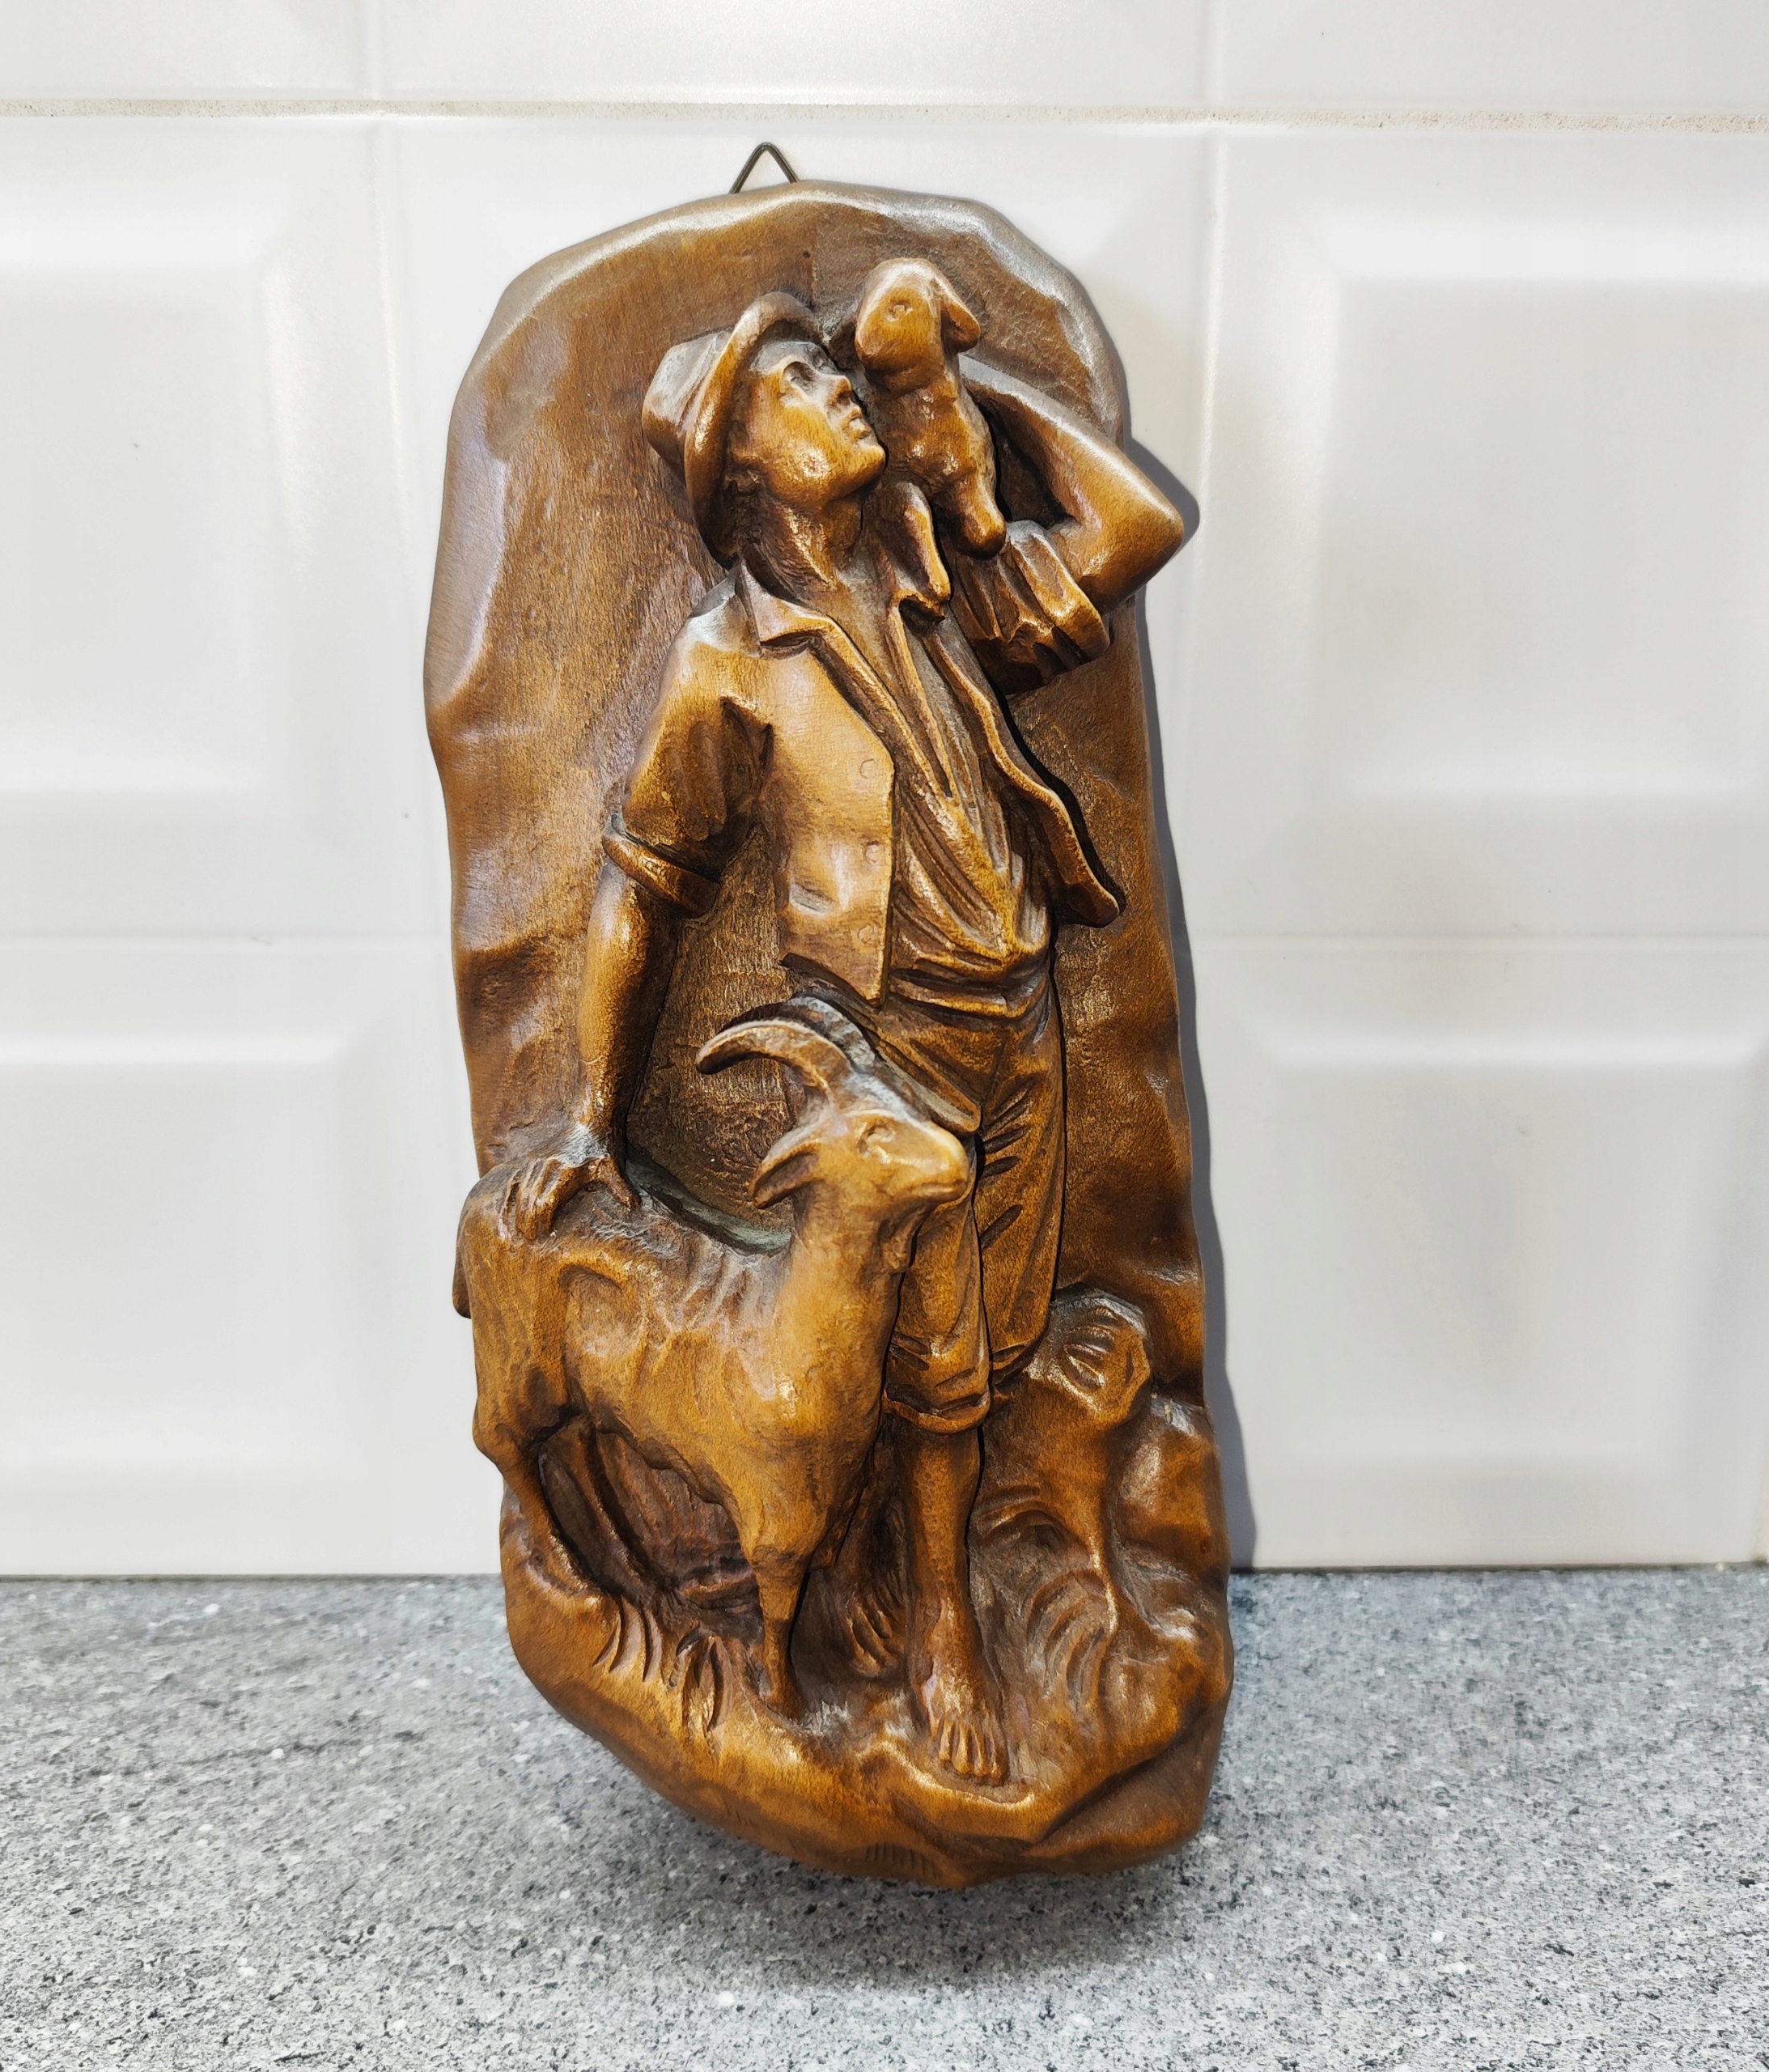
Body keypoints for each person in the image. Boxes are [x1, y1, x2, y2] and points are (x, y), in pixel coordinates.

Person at [499, 281, 1182, 1783]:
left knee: (996, 1342)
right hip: (893, 1044)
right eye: (803, 386)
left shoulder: (934, 579)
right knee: (935, 1360)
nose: (842, 393)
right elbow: (641, 885)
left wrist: (957, 401)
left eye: (837, 372)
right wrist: (595, 1114)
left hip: (1023, 1020)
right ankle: (937, 1634)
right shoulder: (728, 662)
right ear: (742, 467)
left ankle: (901, 1569)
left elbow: (1138, 527)